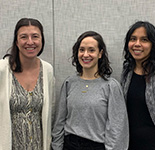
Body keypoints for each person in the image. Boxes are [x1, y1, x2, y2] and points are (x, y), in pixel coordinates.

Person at [52, 31, 129, 150]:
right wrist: (56, 147)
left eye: (91, 50)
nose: (85, 54)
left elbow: (117, 129)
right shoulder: (69, 83)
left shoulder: (111, 86)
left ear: (100, 53)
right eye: (82, 50)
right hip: (70, 145)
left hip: (97, 146)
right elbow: (59, 122)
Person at [0, 18, 55, 150]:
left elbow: (50, 112)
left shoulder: (47, 70)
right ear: (17, 42)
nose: (30, 42)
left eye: (35, 36)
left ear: (42, 40)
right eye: (24, 37)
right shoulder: (2, 69)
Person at [121, 21, 155, 150]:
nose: (137, 44)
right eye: (133, 39)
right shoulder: (127, 72)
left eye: (144, 40)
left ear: (153, 44)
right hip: (129, 145)